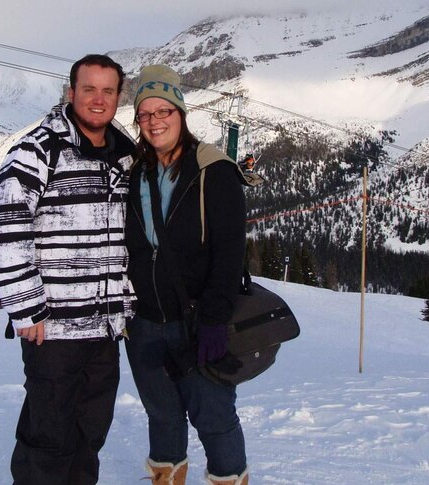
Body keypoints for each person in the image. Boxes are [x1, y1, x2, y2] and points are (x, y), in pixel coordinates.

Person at [0, 54, 135, 485]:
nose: (98, 99)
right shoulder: (40, 149)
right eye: (89, 89)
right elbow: (3, 232)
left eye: (108, 91)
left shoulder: (122, 156)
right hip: (54, 331)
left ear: (118, 97)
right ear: (71, 93)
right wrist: (28, 310)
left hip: (104, 330)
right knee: (48, 443)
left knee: (88, 441)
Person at [125, 65, 250, 485]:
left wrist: (216, 318)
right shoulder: (134, 173)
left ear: (181, 112)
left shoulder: (213, 171)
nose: (156, 121)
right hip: (144, 324)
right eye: (146, 114)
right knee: (162, 418)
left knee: (214, 419)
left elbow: (230, 252)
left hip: (196, 323)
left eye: (165, 111)